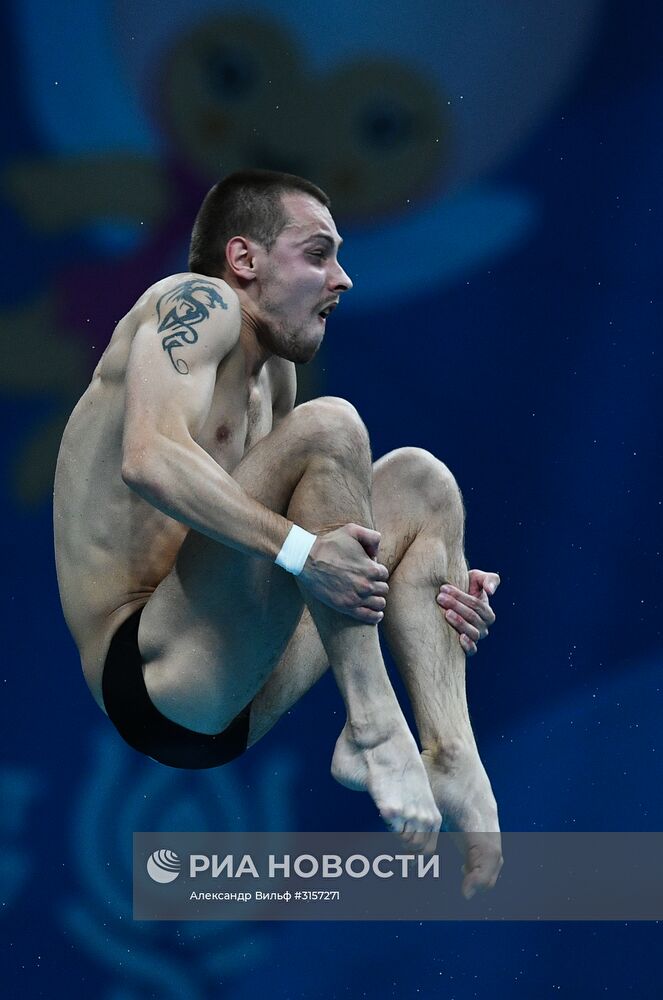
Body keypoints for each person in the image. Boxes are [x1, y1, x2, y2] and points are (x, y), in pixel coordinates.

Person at [54, 169, 502, 897]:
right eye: (318, 253)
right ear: (244, 259)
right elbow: (149, 458)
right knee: (334, 428)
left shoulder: (277, 383)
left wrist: (430, 586)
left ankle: (450, 753)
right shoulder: (192, 302)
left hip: (236, 689)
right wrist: (302, 551)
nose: (343, 279)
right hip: (151, 672)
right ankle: (374, 727)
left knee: (423, 487)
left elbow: (331, 535)